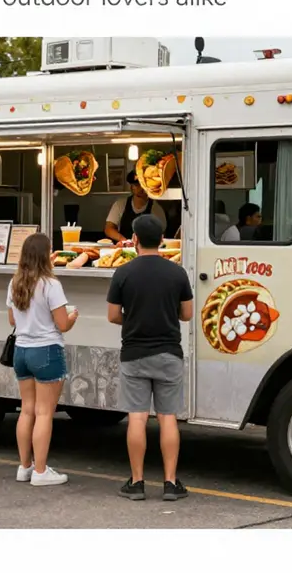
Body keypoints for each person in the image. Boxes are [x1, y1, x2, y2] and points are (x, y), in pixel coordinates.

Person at [107, 214, 194, 501]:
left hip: (134, 354)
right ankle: (170, 483)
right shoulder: (177, 273)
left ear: (133, 240)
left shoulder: (123, 272)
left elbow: (112, 316)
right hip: (169, 353)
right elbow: (187, 314)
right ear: (162, 241)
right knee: (168, 418)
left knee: (137, 418)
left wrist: (132, 320)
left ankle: (137, 481)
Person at [7, 233, 79, 486]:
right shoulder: (51, 285)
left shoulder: (15, 282)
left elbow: (12, 320)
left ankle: (24, 466)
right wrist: (72, 317)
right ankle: (40, 471)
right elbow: (62, 324)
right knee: (45, 413)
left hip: (21, 351)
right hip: (47, 350)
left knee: (27, 410)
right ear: (45, 255)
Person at [105, 170, 167, 243]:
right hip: (124, 248)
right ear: (131, 187)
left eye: (143, 185)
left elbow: (161, 233)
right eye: (137, 185)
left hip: (146, 249)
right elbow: (108, 228)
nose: (141, 188)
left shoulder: (156, 208)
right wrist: (124, 241)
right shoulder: (120, 204)